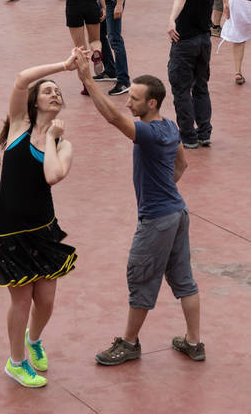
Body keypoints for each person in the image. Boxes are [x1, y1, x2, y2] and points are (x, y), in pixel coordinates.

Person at [77, 57, 205, 366]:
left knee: (141, 278)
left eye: (134, 99)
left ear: (152, 102)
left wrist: (89, 81)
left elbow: (113, 120)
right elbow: (182, 165)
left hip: (158, 221)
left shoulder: (147, 134)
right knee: (184, 281)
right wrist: (163, 187)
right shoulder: (170, 127)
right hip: (177, 212)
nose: (129, 103)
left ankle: (130, 343)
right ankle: (194, 342)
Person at [0, 53, 79, 388]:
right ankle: (15, 363)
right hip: (8, 230)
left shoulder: (64, 144)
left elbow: (52, 177)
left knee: (45, 301)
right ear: (34, 102)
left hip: (42, 231)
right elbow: (20, 78)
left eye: (58, 91)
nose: (54, 94)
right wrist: (64, 66)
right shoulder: (18, 125)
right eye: (48, 91)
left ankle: (34, 340)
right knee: (22, 299)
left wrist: (51, 140)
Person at [167, 0, 251, 145]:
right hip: (204, 42)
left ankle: (188, 136)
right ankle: (204, 133)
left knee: (181, 89)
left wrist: (172, 18)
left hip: (184, 41)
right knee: (201, 87)